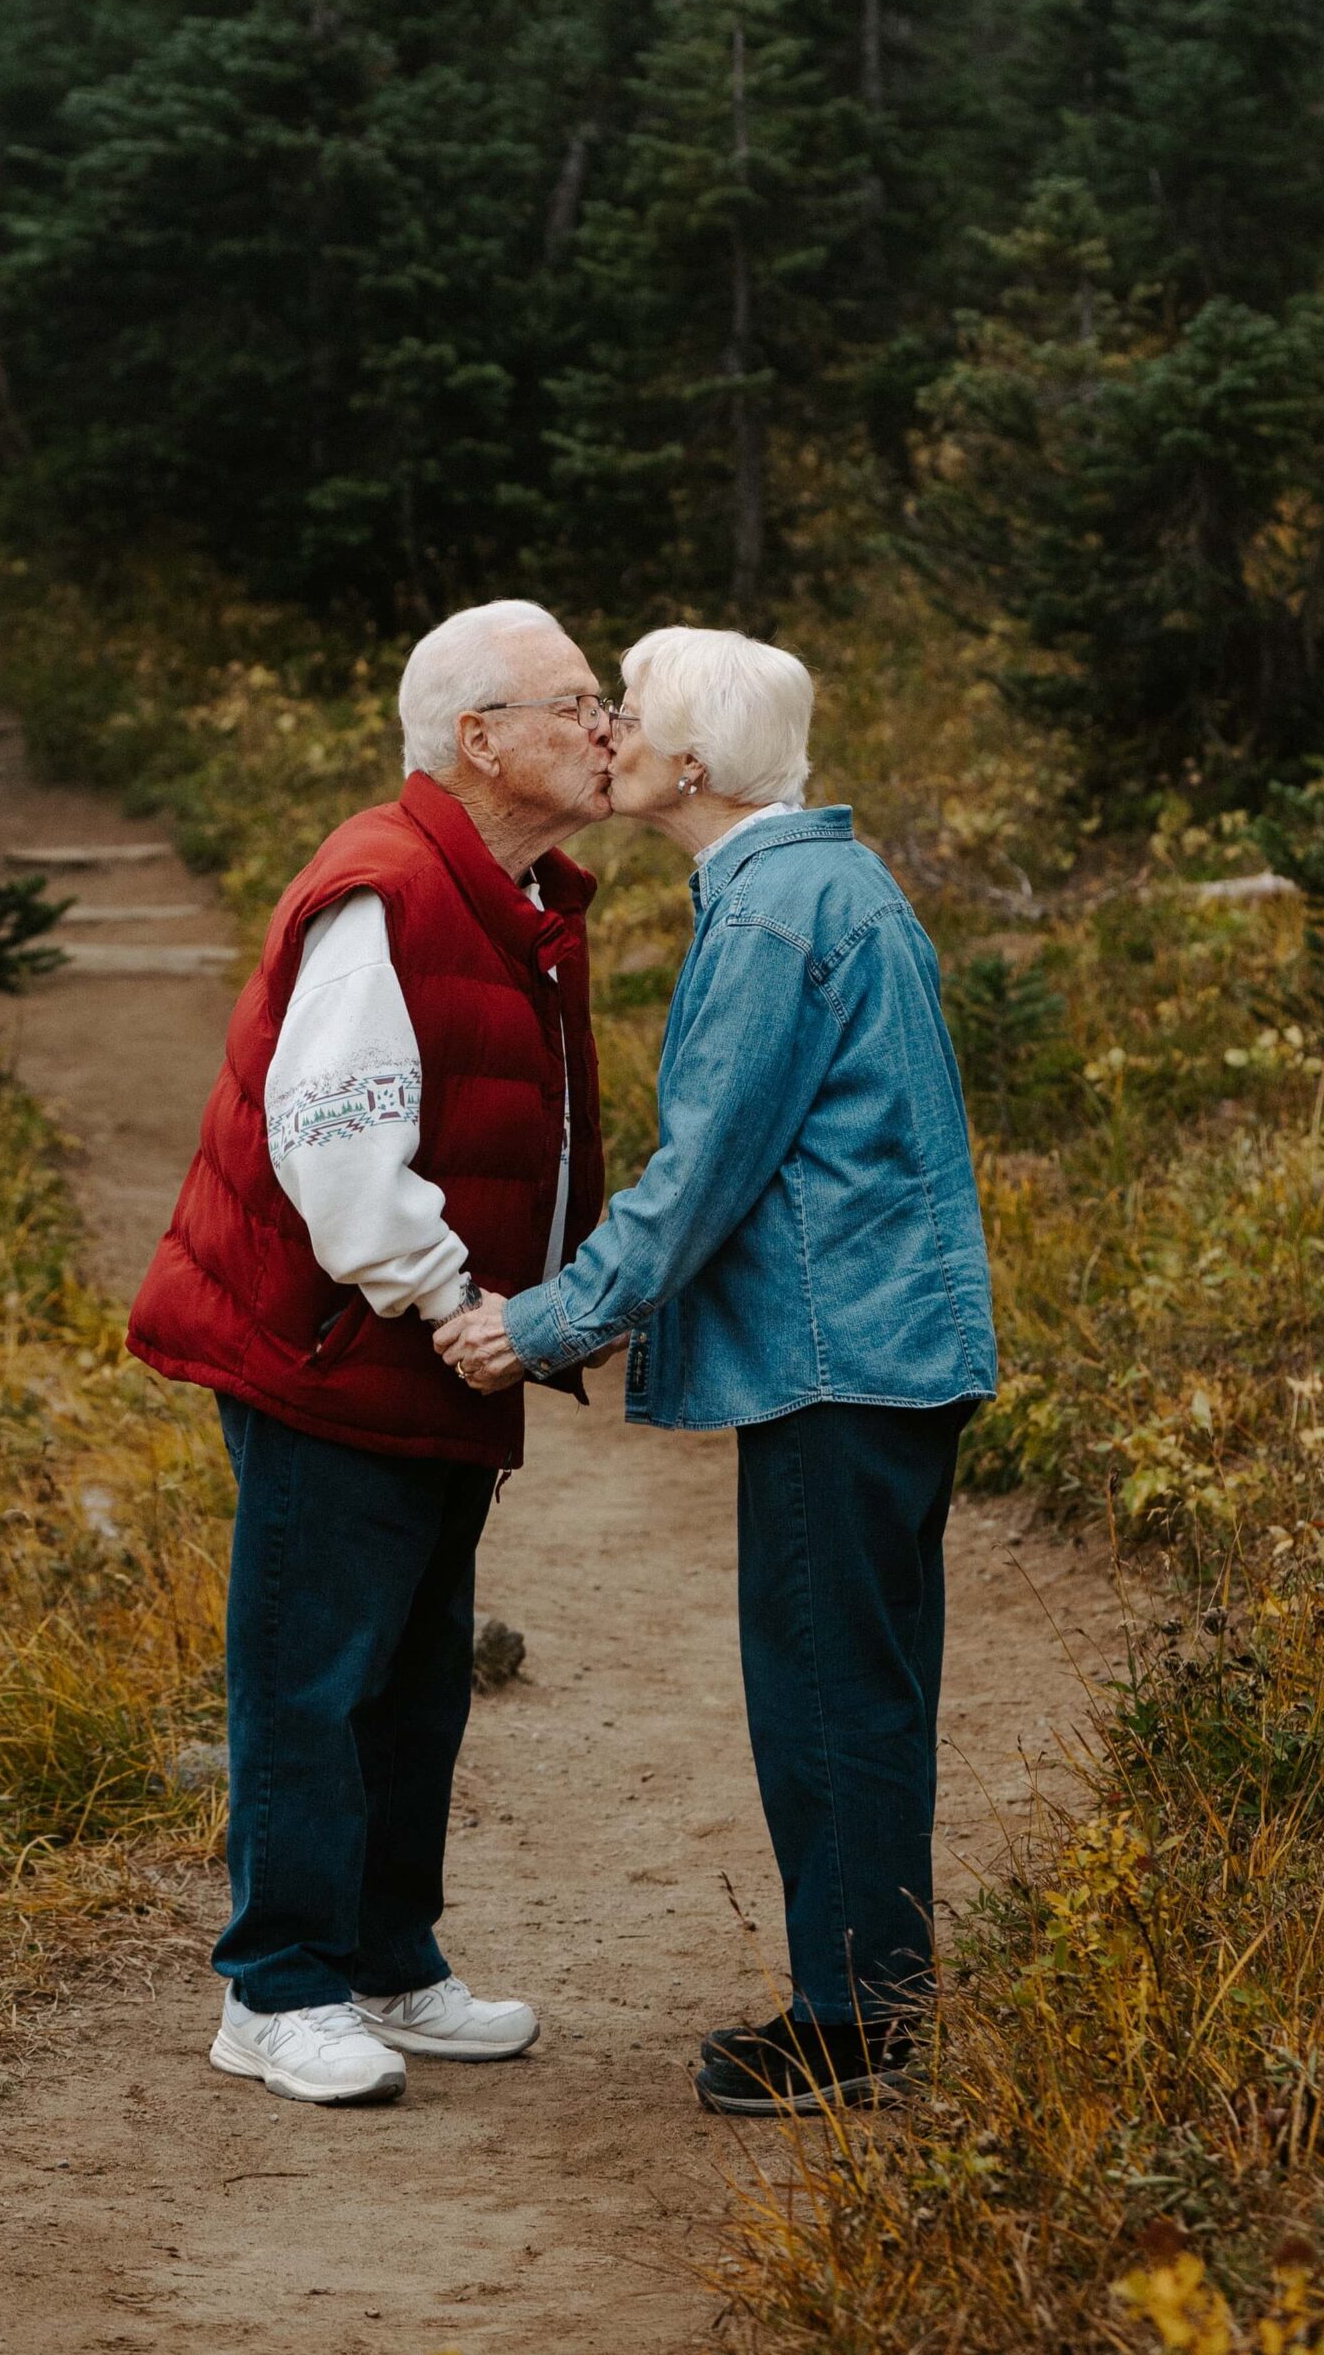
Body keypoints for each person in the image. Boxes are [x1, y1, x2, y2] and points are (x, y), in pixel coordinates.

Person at [437, 626, 996, 2118]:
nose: (607, 732)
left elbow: (701, 1184)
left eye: (634, 716)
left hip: (844, 1365)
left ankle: (855, 2026)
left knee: (824, 1692)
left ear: (694, 764)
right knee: (857, 1685)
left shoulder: (769, 920)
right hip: (882, 1357)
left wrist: (541, 1321)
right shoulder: (819, 883)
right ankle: (875, 1995)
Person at [127, 598, 614, 2106]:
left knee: (413, 1676)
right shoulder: (387, 886)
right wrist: (449, 1299)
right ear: (481, 739)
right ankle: (273, 1991)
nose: (607, 729)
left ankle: (390, 1966)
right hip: (343, 1345)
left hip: (422, 1352)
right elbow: (333, 1139)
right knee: (310, 1672)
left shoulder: (505, 891)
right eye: (576, 703)